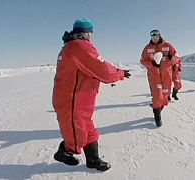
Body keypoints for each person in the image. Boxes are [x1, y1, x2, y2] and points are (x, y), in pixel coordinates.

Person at [52, 18, 131, 171]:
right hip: (72, 101)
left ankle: (93, 160)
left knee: (89, 130)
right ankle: (63, 153)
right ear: (87, 33)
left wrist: (117, 73)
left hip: (79, 99)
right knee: (76, 136)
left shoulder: (70, 46)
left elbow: (92, 69)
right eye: (91, 33)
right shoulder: (80, 46)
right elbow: (102, 70)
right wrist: (120, 73)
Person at [140, 29, 180, 127]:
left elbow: (177, 58)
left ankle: (157, 110)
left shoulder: (168, 46)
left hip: (166, 75)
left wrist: (172, 59)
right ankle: (157, 118)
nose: (154, 37)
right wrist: (152, 64)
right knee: (157, 97)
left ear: (159, 35)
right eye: (152, 36)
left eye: (156, 35)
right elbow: (143, 61)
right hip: (154, 76)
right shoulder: (147, 48)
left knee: (165, 96)